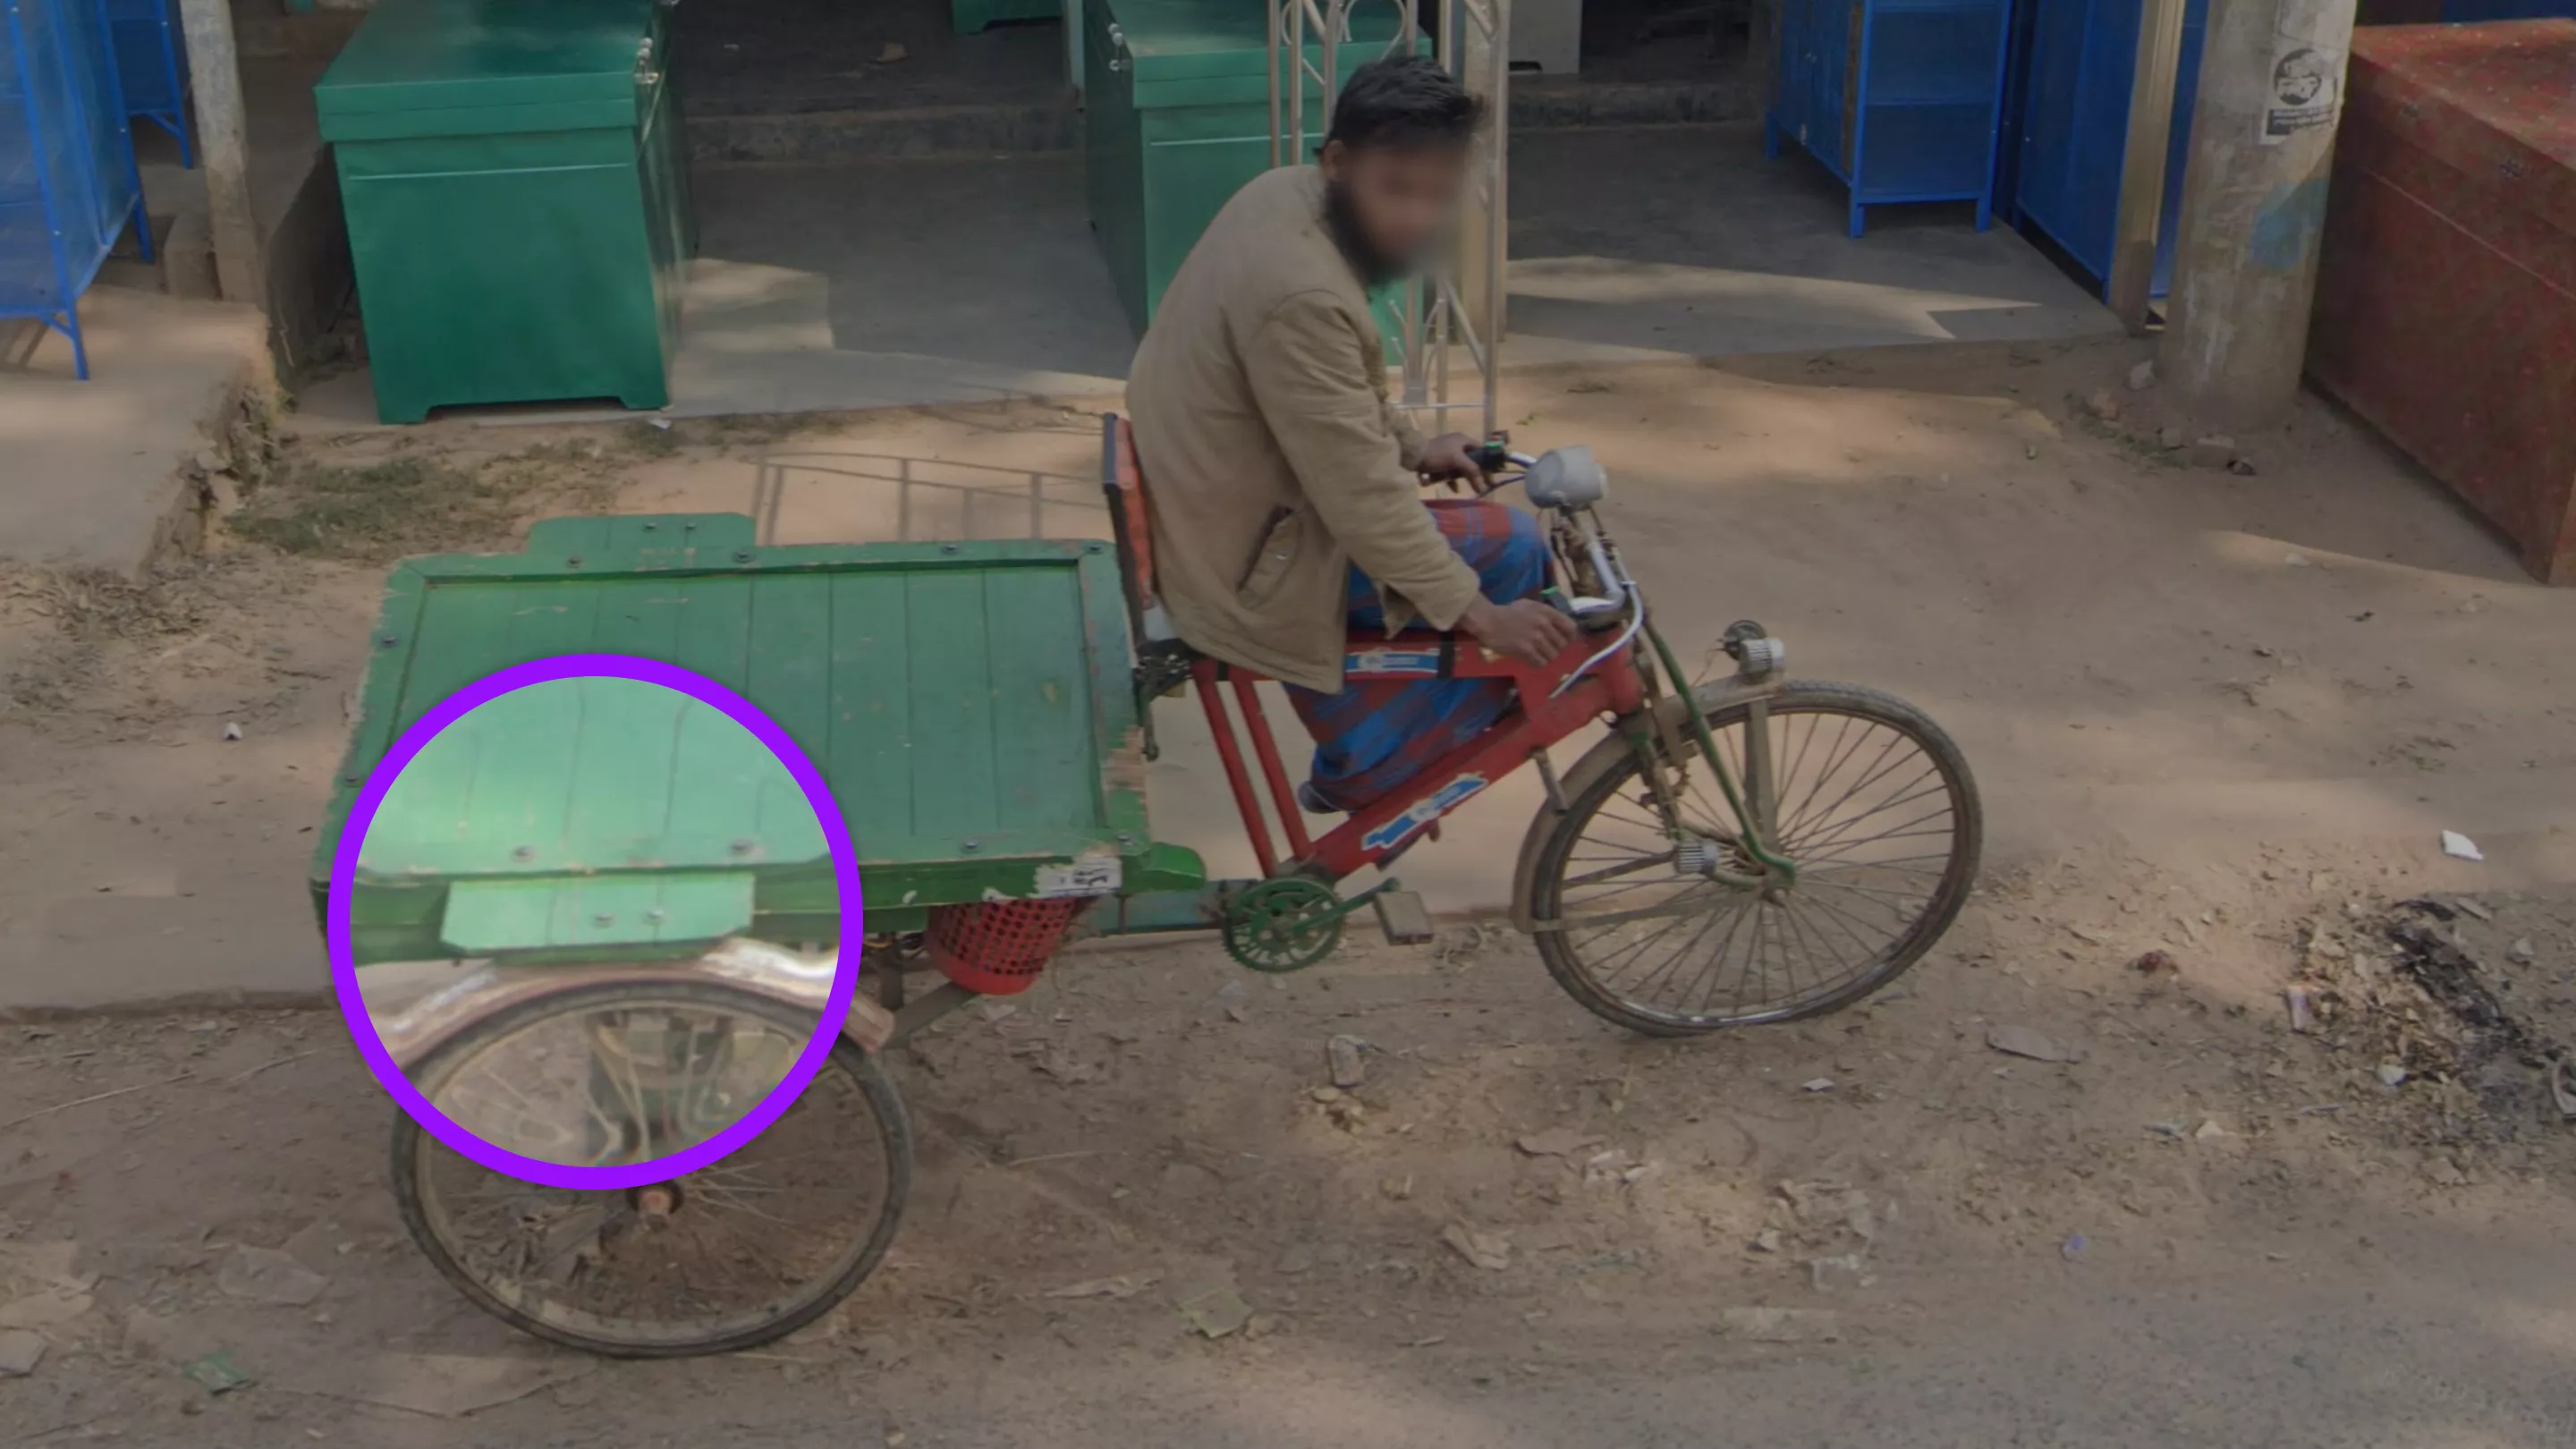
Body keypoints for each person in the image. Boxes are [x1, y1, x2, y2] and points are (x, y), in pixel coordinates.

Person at [1125, 55, 1577, 814]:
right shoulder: (1301, 292)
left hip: (1214, 503)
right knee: (1513, 550)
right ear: (1338, 163)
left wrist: (1412, 446)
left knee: (1473, 550)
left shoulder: (1282, 193)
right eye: (1396, 188)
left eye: (1437, 195)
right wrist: (1485, 616)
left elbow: (1339, 388)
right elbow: (1362, 500)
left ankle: (1376, 740)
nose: (1417, 218)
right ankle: (1373, 761)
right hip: (1241, 558)